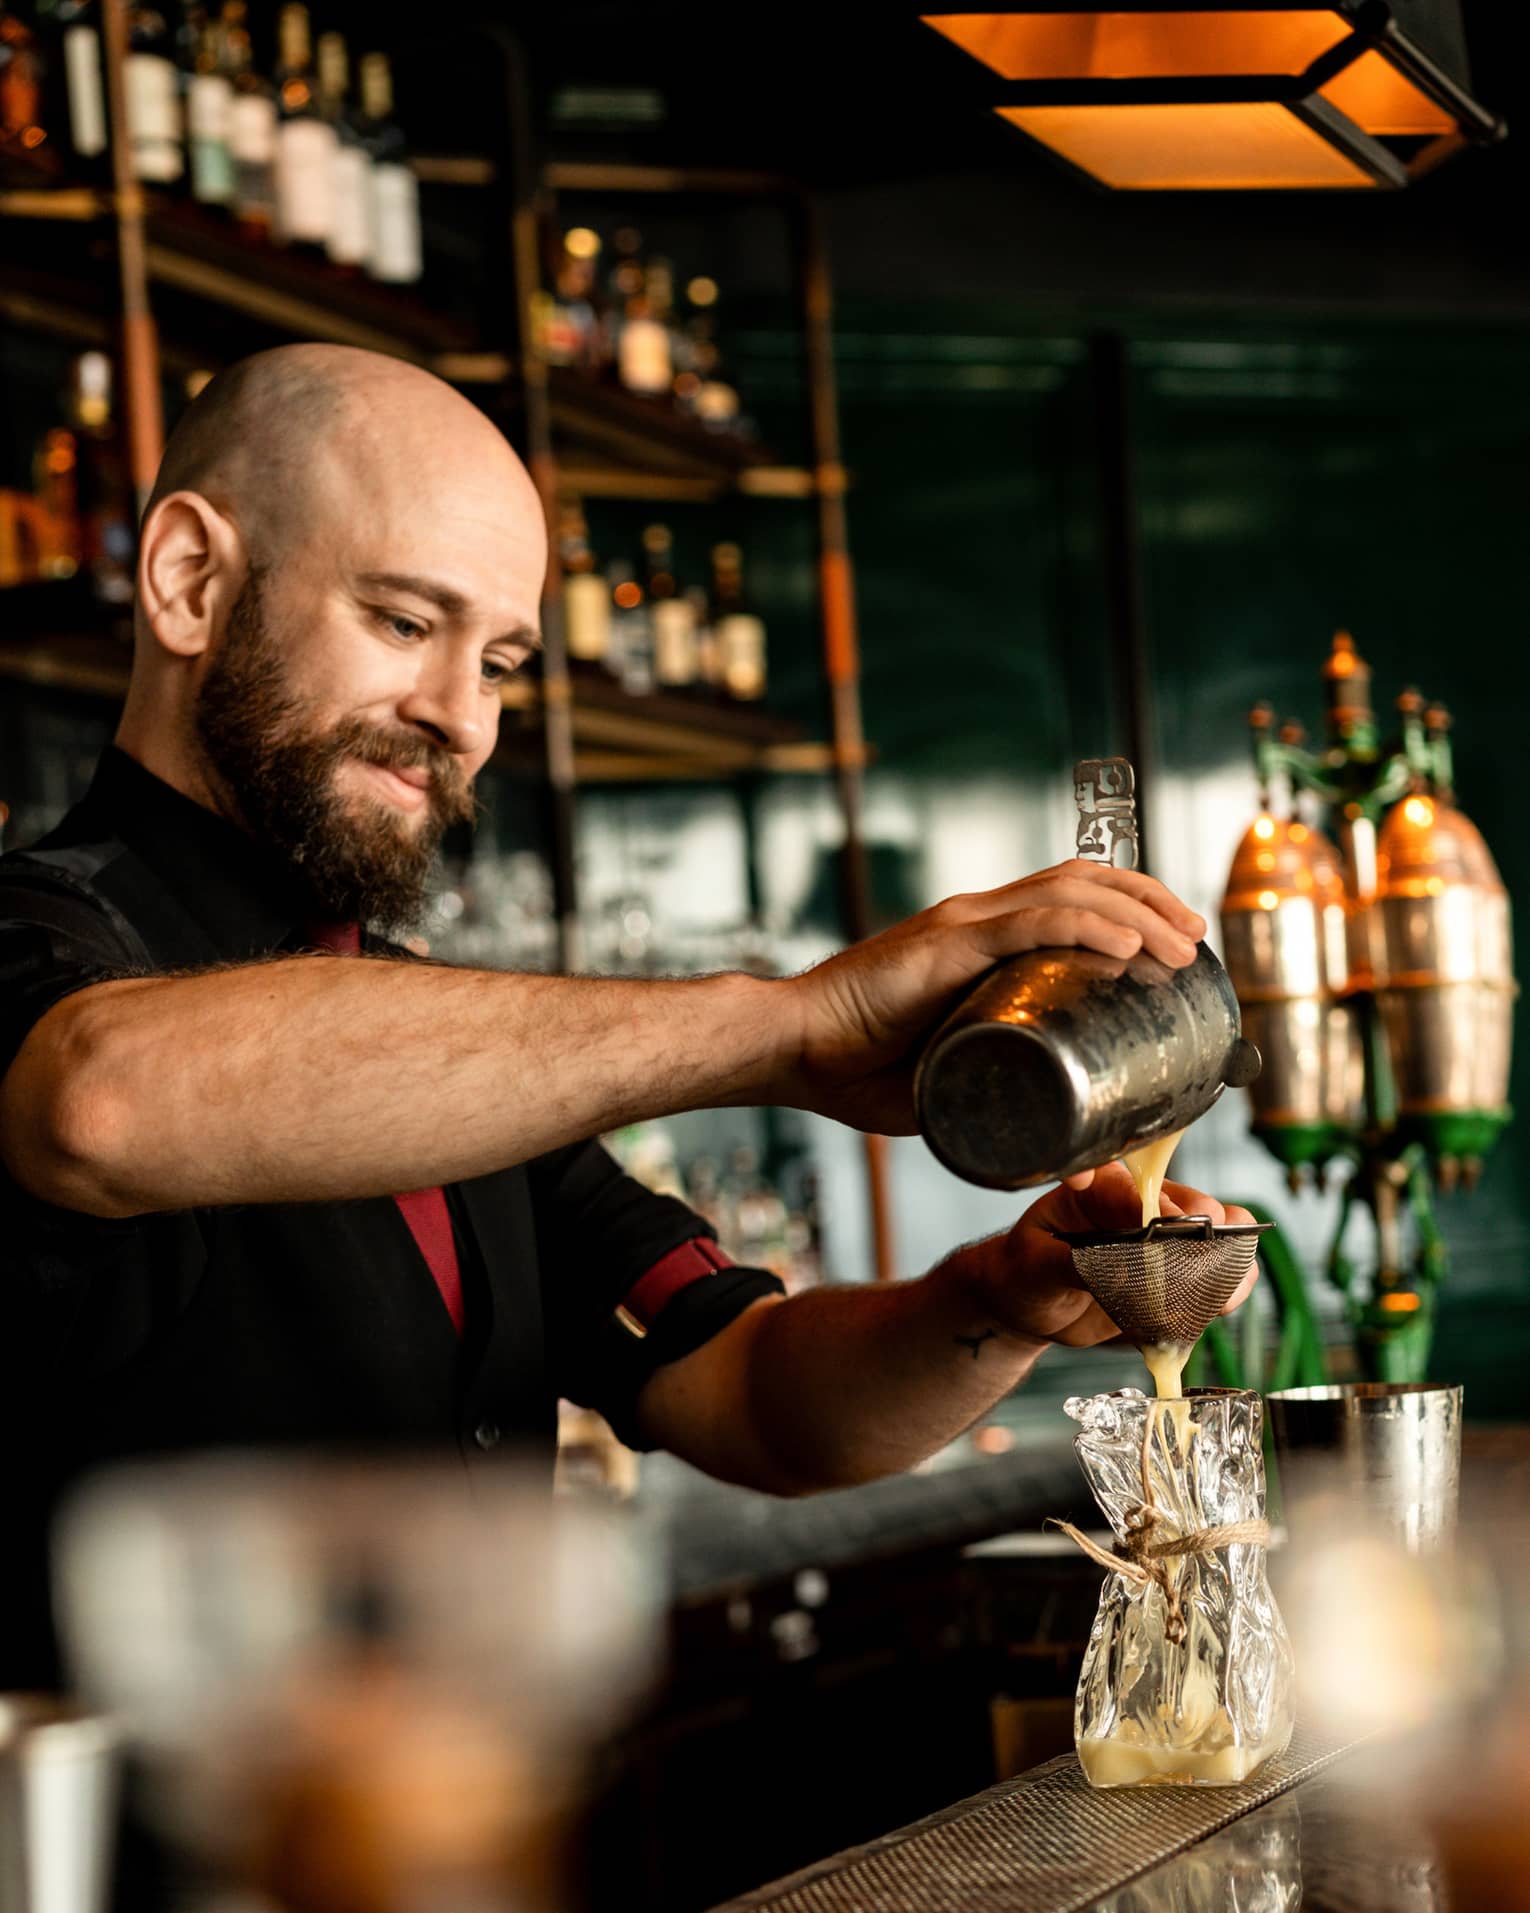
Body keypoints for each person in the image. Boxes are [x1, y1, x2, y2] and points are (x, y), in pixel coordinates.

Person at [0, 344, 1255, 1690]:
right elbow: (105, 1101)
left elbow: (752, 1392)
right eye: (404, 623)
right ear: (190, 579)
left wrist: (997, 1302)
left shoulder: (458, 1048)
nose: (459, 720)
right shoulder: (41, 941)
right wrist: (792, 1023)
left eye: (499, 662)